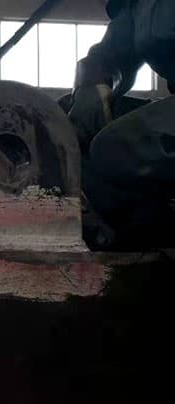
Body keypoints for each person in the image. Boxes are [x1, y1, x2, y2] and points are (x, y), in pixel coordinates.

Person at [67, 0, 175, 249]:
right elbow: (110, 55)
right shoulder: (141, 6)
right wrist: (91, 85)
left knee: (116, 145)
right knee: (72, 129)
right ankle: (143, 240)